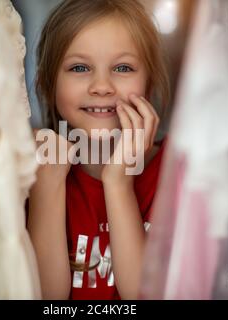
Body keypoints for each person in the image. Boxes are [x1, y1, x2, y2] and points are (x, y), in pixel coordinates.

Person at [28, 0, 169, 300]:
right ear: (47, 84)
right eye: (80, 67)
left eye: (122, 67)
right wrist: (46, 185)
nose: (102, 86)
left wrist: (118, 181)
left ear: (149, 83)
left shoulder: (176, 172)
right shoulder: (33, 172)